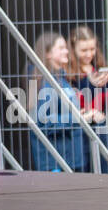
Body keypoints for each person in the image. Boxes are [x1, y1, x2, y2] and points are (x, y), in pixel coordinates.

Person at [26, 32, 89, 172]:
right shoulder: (44, 83)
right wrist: (77, 119)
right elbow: (42, 121)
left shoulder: (62, 79)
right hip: (55, 163)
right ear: (48, 54)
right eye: (61, 48)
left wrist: (82, 115)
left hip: (71, 159)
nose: (66, 51)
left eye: (65, 47)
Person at [69, 24, 108, 170]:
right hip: (78, 134)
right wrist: (93, 84)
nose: (89, 54)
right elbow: (75, 103)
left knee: (103, 170)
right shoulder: (68, 74)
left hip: (100, 132)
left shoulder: (99, 69)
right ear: (73, 49)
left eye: (92, 49)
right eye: (84, 50)